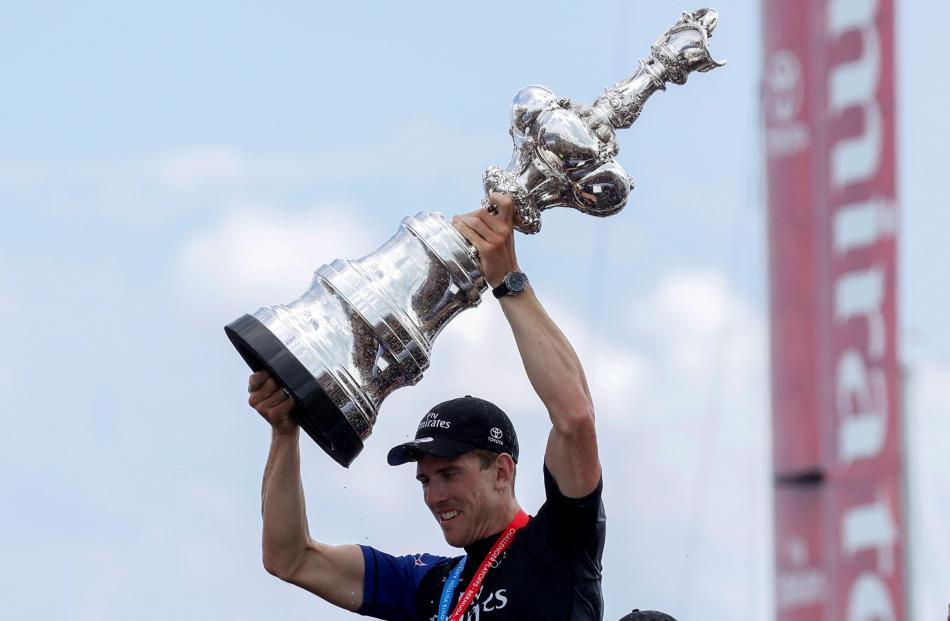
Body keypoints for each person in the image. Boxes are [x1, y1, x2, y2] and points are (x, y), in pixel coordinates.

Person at [247, 193, 605, 620]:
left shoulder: (558, 543)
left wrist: (508, 281)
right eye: (425, 481)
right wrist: (285, 431)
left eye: (450, 474)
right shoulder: (428, 583)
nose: (435, 496)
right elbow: (290, 559)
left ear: (502, 471)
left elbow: (575, 417)